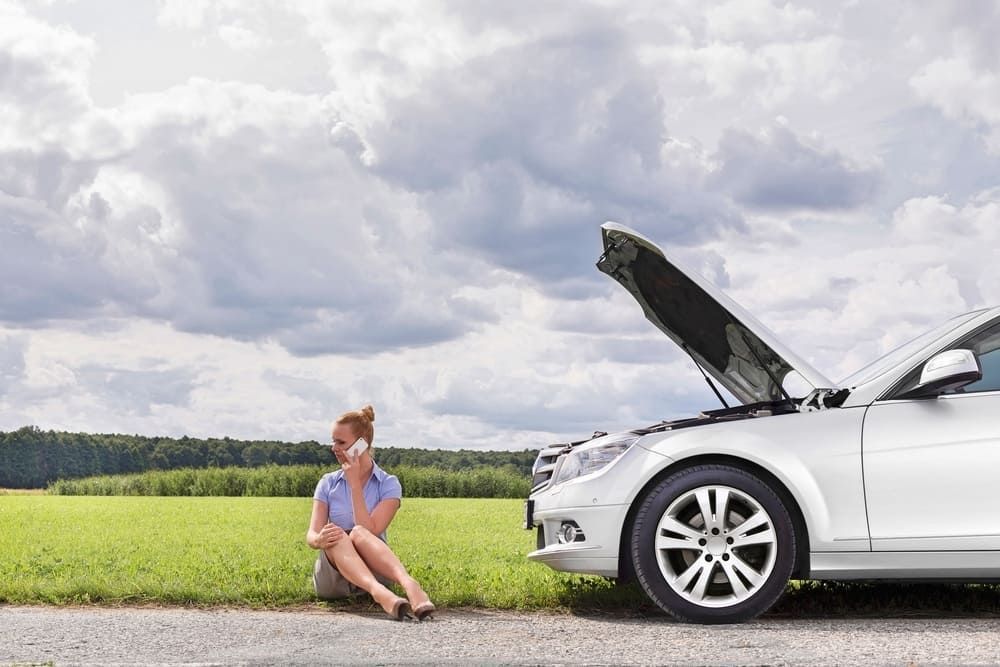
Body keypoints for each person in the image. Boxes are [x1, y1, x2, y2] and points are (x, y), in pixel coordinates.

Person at [306, 404, 435, 621]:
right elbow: (311, 535)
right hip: (334, 578)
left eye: (341, 442)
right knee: (338, 535)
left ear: (362, 443)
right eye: (333, 441)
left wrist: (355, 484)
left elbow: (369, 531)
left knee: (358, 532)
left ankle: (408, 584)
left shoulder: (388, 484)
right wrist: (319, 539)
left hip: (375, 567)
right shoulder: (328, 482)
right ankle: (380, 594)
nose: (334, 448)